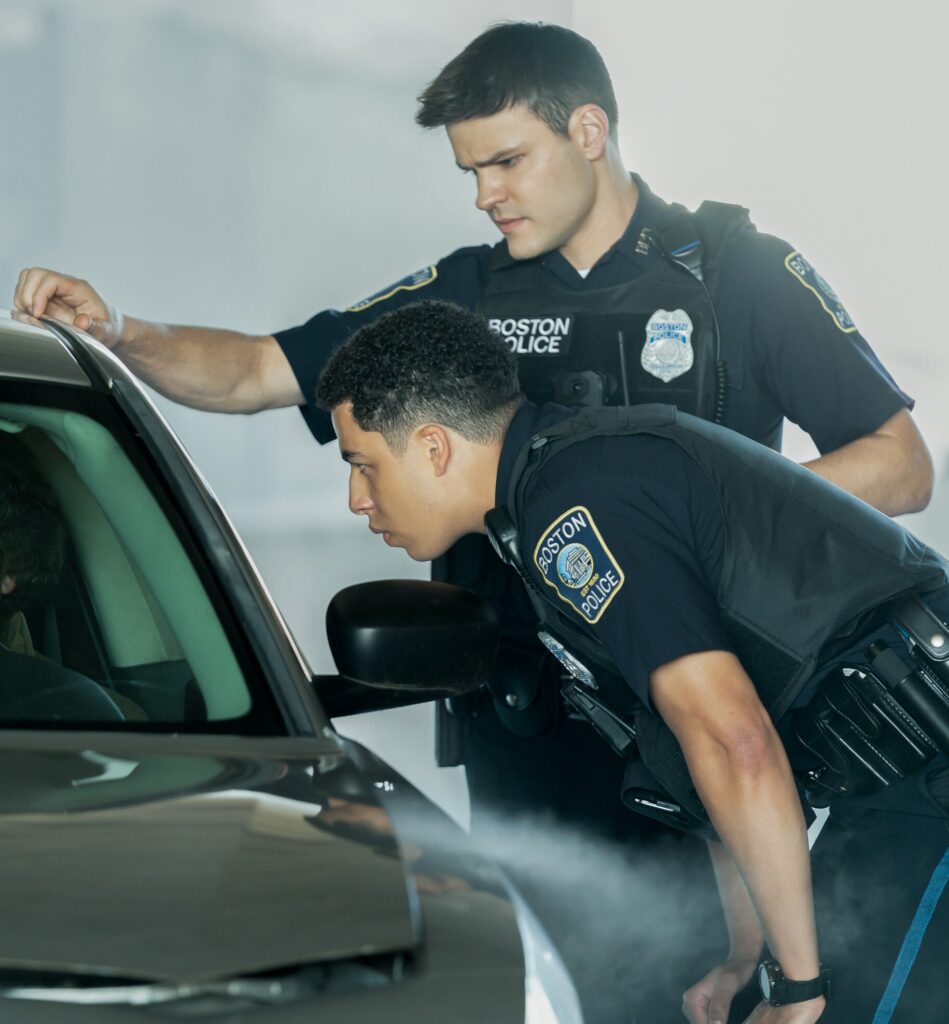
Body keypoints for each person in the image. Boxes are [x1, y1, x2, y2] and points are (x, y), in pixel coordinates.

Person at [12, 21, 935, 1020]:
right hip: (542, 721)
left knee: (798, 973)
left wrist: (710, 540)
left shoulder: (735, 272)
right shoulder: (460, 298)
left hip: (717, 703)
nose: (486, 192)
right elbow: (255, 370)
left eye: (505, 160)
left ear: (588, 130)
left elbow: (897, 464)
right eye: (470, 170)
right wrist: (119, 332)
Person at [314, 298, 949, 1024]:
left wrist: (798, 990)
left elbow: (732, 740)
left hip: (923, 763)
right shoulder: (557, 494)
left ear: (432, 447)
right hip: (897, 771)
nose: (357, 499)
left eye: (363, 464)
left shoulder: (576, 507)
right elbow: (700, 766)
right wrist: (753, 961)